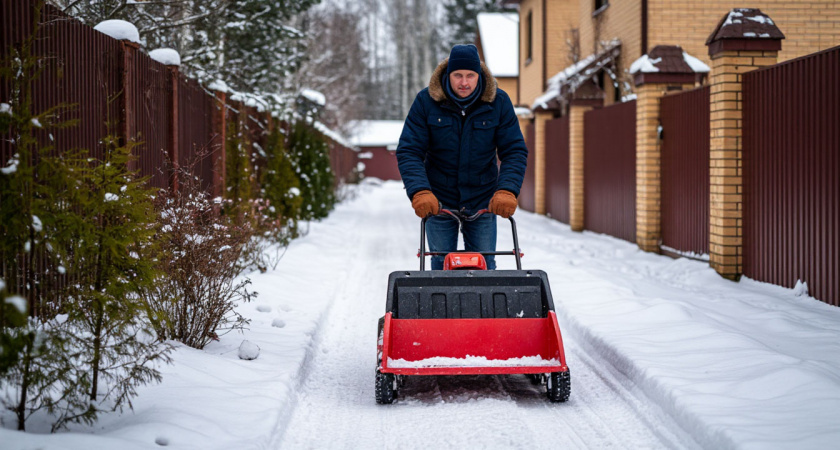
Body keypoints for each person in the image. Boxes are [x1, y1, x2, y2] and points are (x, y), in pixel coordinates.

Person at [396, 44, 528, 270]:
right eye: (458, 75)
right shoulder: (426, 101)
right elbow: (409, 150)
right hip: (439, 200)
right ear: (448, 74)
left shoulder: (498, 102)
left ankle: (484, 295)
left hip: (483, 200)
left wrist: (507, 190)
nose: (464, 82)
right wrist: (420, 191)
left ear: (479, 75)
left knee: (484, 264)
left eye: (470, 75)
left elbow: (514, 150)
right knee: (441, 265)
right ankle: (441, 294)